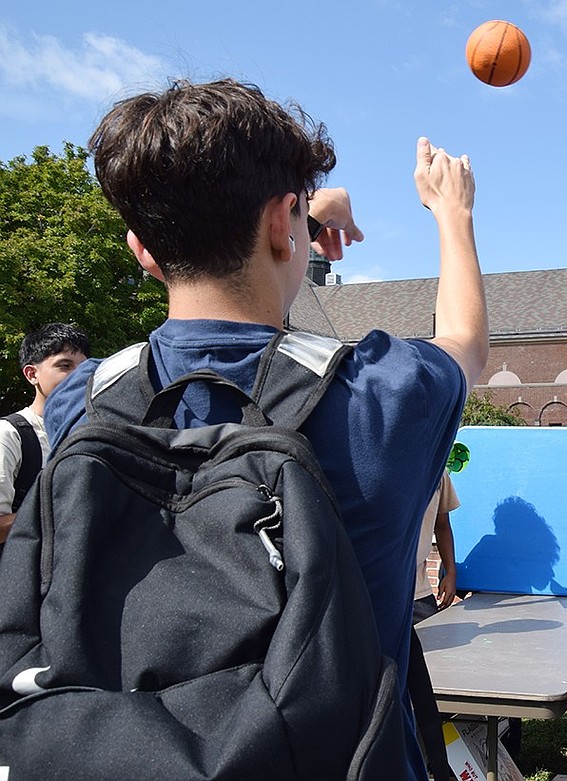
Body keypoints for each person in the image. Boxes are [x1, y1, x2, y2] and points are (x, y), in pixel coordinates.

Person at [43, 79, 488, 781]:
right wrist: (451, 212)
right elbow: (463, 340)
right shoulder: (379, 396)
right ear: (284, 224)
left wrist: (292, 215)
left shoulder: (82, 400)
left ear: (141, 251)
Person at [0, 323, 90, 550]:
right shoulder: (11, 434)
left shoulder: (91, 434)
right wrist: (58, 512)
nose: (79, 375)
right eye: (64, 365)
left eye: (85, 367)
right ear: (32, 374)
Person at [412, 471, 460, 624]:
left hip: (418, 592)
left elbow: (442, 524)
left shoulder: (437, 471)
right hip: (372, 592)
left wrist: (450, 572)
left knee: (433, 643)